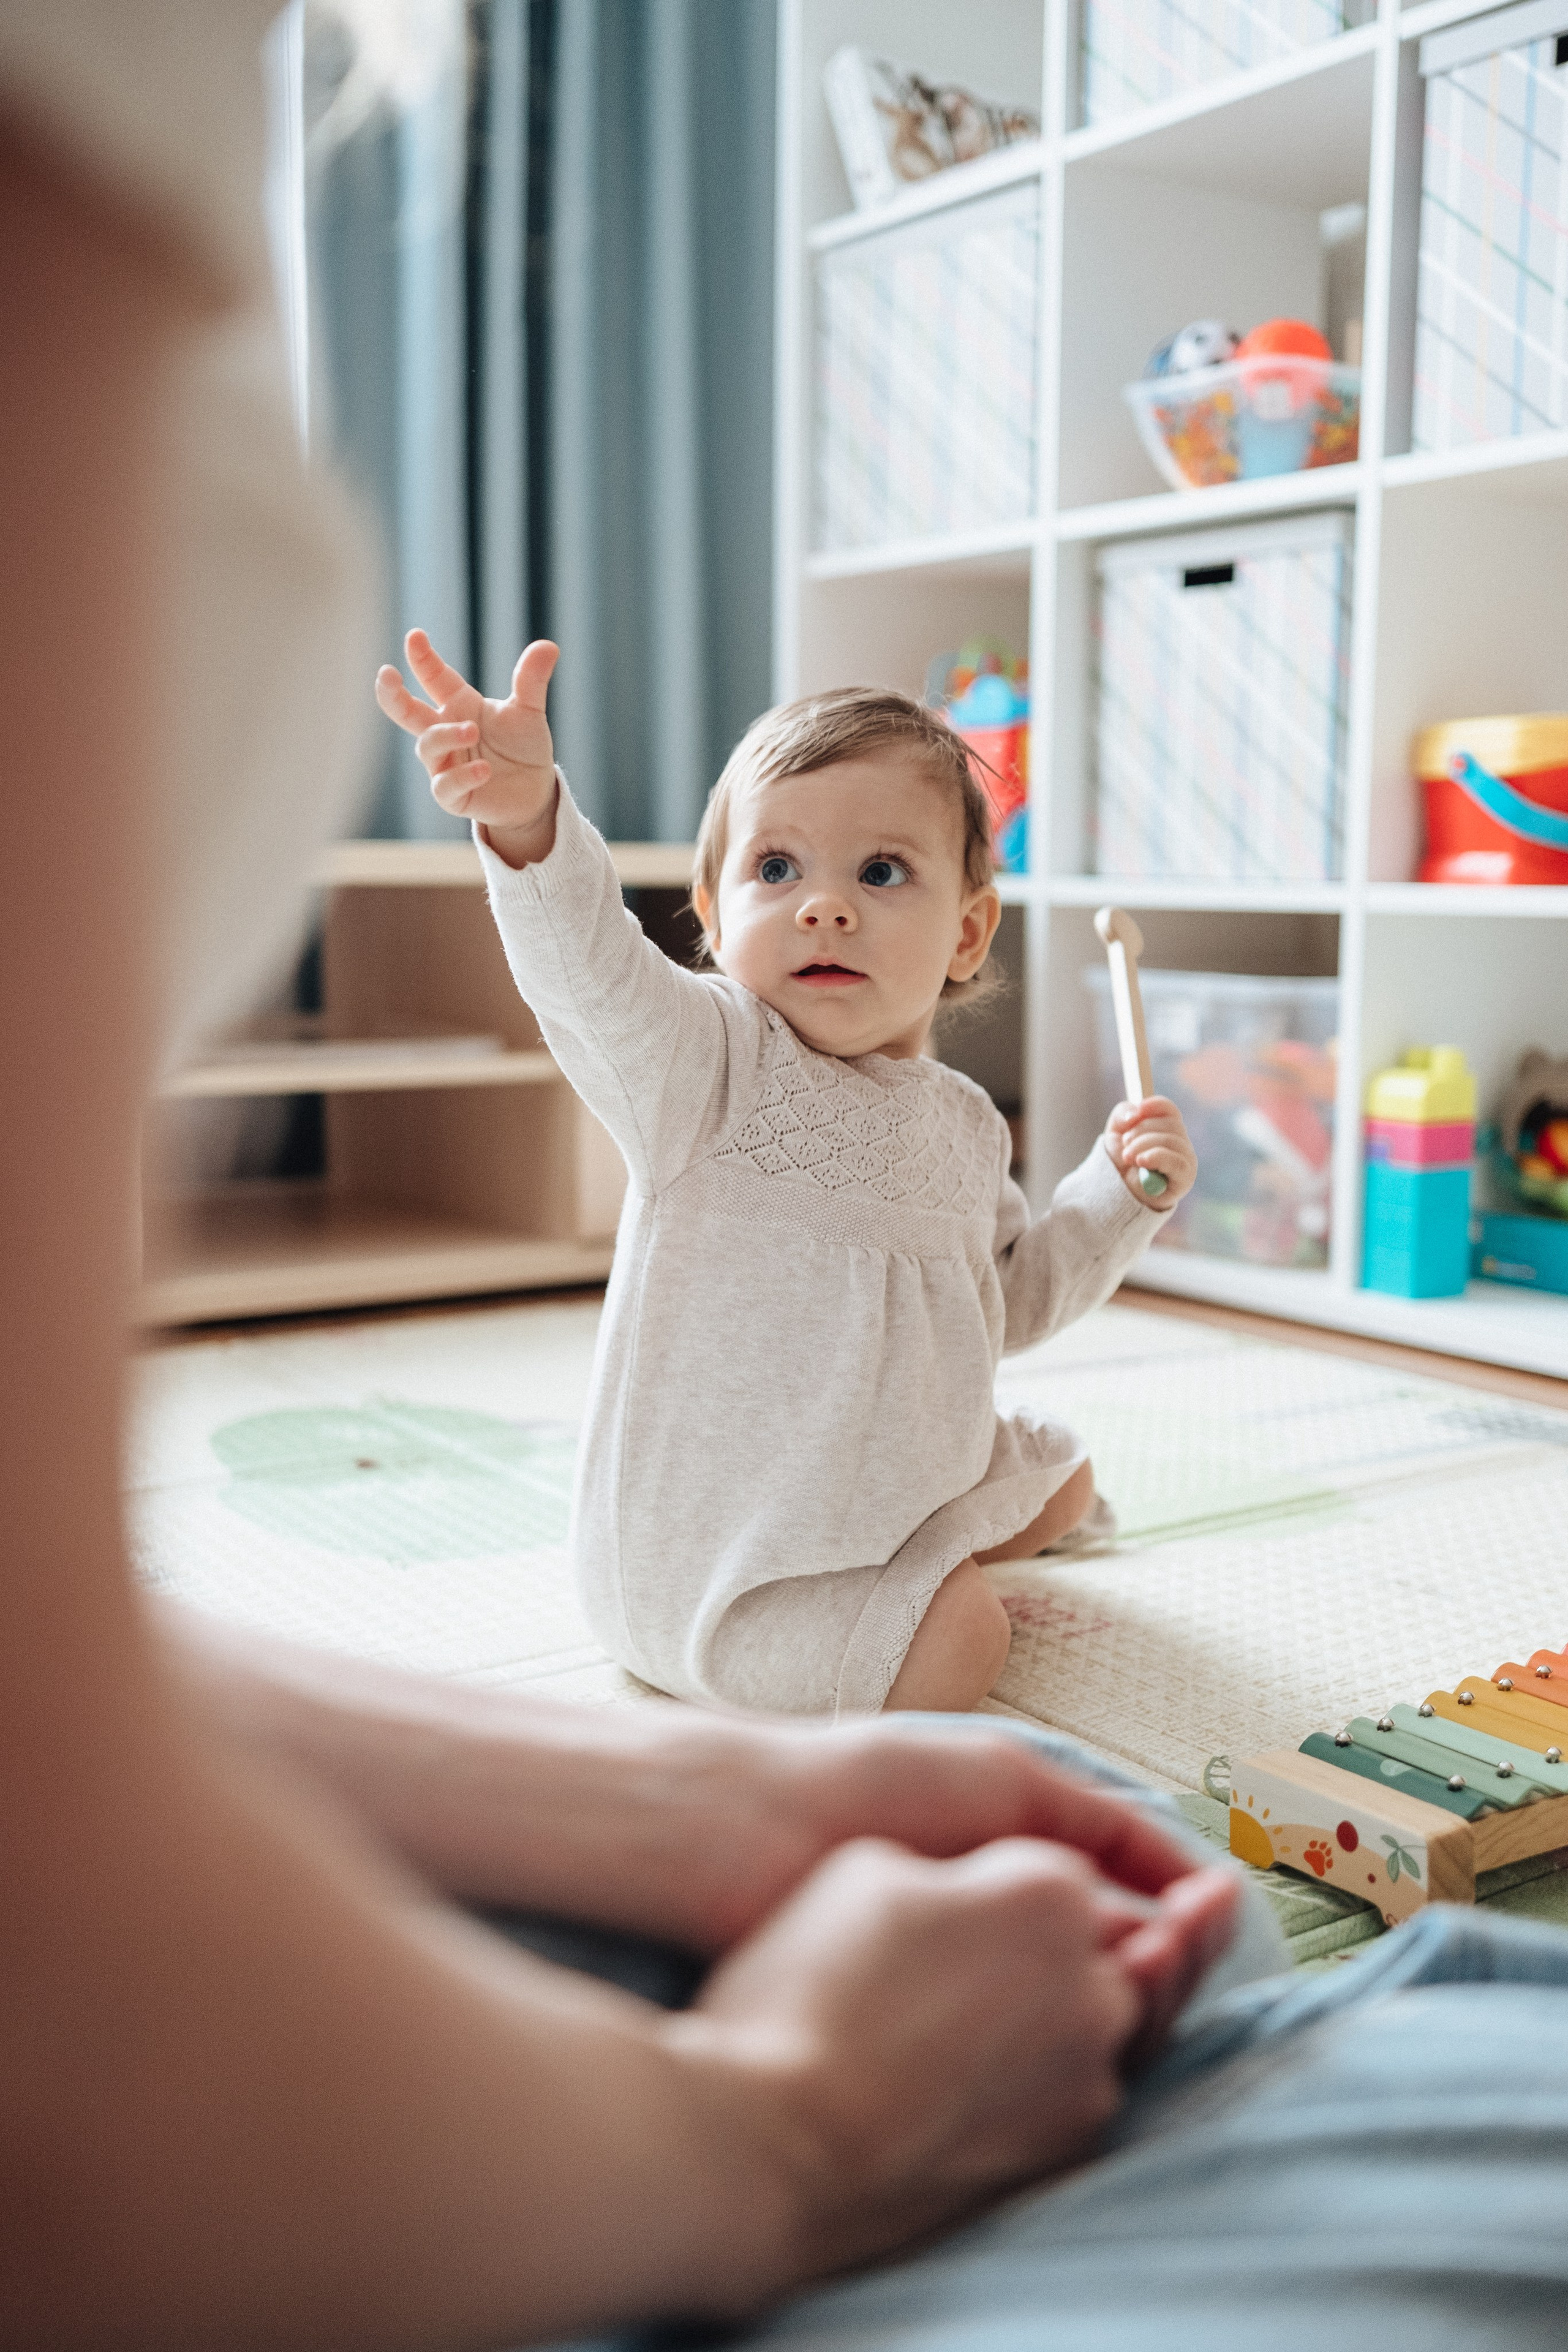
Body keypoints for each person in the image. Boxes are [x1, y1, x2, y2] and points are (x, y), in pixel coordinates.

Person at [375, 641, 1197, 1715]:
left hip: (884, 1486)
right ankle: (892, 1612)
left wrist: (1117, 1199)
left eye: (882, 871)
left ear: (967, 931)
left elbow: (1008, 1303)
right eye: (777, 870)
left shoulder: (961, 1124)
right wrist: (529, 820)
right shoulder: (701, 1065)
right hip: (726, 1575)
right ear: (713, 922)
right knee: (966, 1638)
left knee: (1064, 1478)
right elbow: (586, 969)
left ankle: (914, 1565)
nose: (824, 907)